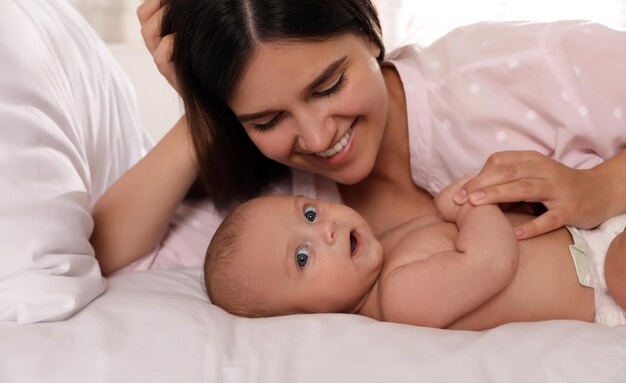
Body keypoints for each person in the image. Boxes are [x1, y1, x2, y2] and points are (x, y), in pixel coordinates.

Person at [91, 0, 626, 276]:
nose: (320, 137)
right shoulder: (279, 207)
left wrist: (599, 187)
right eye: (267, 117)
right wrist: (201, 113)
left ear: (369, 34)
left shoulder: (506, 71)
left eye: (329, 86)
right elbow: (107, 255)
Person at [203, 177, 626, 329]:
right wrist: (470, 206)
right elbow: (491, 262)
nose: (327, 228)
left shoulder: (389, 246)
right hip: (603, 286)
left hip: (590, 236)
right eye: (302, 257)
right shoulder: (401, 299)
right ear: (306, 319)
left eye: (309, 213)